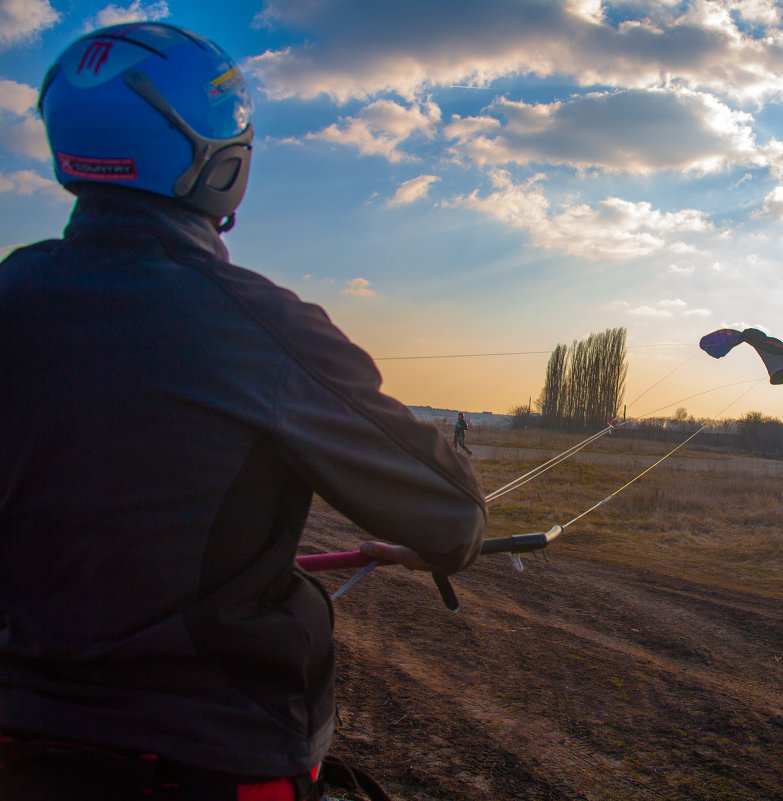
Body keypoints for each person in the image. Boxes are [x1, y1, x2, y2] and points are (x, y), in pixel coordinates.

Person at [0, 22, 485, 801]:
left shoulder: (13, 295)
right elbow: (453, 516)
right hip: (215, 755)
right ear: (215, 158)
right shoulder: (258, 326)